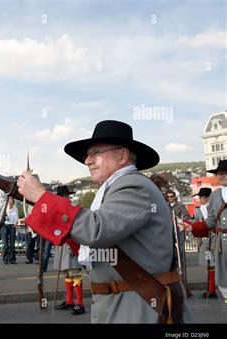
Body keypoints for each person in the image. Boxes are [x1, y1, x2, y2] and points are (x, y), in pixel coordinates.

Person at [17, 120, 192, 323]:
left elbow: (95, 230)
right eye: (87, 155)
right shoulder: (115, 188)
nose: (88, 161)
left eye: (96, 153)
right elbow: (93, 241)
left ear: (122, 156)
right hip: (123, 301)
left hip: (136, 306)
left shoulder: (133, 185)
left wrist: (41, 197)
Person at [185, 160, 227, 304]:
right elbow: (210, 220)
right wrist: (194, 227)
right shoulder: (215, 195)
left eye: (224, 173)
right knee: (223, 282)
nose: (221, 176)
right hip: (221, 245)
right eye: (219, 174)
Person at [52, 186, 86, 315]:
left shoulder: (74, 207)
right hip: (62, 243)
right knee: (66, 273)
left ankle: (80, 304)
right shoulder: (57, 209)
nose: (65, 198)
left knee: (74, 273)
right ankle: (70, 301)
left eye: (66, 196)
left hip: (71, 243)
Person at [191, 187, 216, 298]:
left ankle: (212, 289)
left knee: (218, 264)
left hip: (217, 238)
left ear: (206, 197)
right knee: (209, 265)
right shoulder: (199, 210)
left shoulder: (215, 207)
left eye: (200, 197)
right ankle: (211, 289)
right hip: (206, 240)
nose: (199, 199)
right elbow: (195, 222)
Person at [1, 196, 19, 264]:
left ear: (13, 202)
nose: (10, 202)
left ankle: (12, 259)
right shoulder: (5, 208)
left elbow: (17, 218)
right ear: (7, 202)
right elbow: (1, 217)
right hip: (5, 226)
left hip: (12, 226)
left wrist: (16, 223)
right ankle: (5, 258)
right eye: (9, 201)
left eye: (11, 201)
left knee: (12, 244)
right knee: (5, 244)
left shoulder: (15, 209)